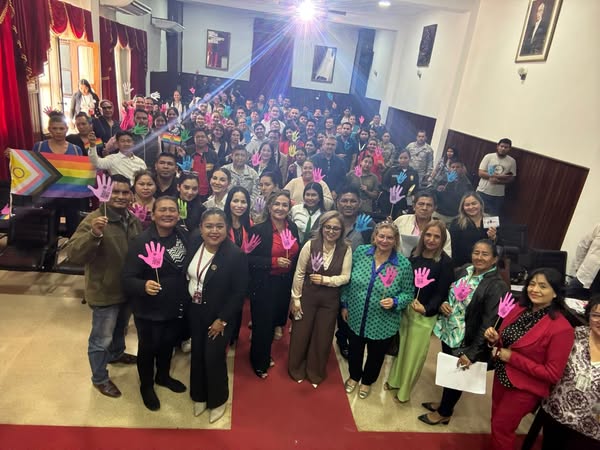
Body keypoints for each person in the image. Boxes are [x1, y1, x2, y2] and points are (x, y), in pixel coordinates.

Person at [66, 174, 142, 398]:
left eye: (125, 192)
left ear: (131, 195)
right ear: (106, 193)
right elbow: (73, 254)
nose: (120, 196)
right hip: (104, 290)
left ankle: (117, 354)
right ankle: (99, 378)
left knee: (121, 328)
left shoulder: (133, 220)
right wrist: (94, 234)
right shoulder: (95, 219)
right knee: (101, 339)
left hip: (127, 289)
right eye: (115, 192)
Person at [483, 268, 575, 450]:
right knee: (497, 421)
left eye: (543, 286)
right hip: (502, 375)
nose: (535, 289)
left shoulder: (562, 328)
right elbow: (507, 342)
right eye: (532, 284)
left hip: (525, 386)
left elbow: (552, 374)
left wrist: (512, 358)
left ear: (555, 292)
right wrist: (495, 340)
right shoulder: (519, 308)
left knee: (502, 428)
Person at [420, 239, 509, 425]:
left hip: (466, 339)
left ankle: (444, 412)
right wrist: (444, 303)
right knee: (450, 371)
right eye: (476, 252)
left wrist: (472, 353)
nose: (479, 257)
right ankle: (445, 403)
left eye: (485, 254)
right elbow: (448, 292)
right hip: (449, 331)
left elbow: (489, 323)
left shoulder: (497, 286)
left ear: (494, 259)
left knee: (458, 375)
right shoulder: (464, 270)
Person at [122, 196, 189, 411]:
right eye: (163, 210)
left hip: (175, 306)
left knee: (168, 345)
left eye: (172, 210)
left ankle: (163, 376)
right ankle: (147, 385)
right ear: (153, 214)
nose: (168, 214)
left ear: (178, 214)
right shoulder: (141, 242)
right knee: (148, 348)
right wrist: (143, 285)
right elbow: (127, 278)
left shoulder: (183, 236)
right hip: (149, 309)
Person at [185, 208, 248, 422]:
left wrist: (223, 319)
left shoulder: (235, 255)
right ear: (200, 228)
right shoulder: (195, 243)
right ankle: (199, 395)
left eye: (219, 226)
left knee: (213, 357)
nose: (214, 231)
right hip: (196, 309)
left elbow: (239, 292)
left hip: (219, 315)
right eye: (209, 226)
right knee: (197, 354)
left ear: (227, 228)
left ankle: (218, 400)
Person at [340, 221, 414, 399]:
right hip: (356, 314)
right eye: (381, 236)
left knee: (376, 355)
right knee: (355, 349)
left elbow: (409, 293)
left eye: (390, 238)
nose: (384, 241)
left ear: (396, 240)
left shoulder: (403, 264)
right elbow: (347, 280)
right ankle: (354, 376)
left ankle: (367, 381)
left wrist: (395, 301)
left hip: (383, 321)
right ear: (374, 236)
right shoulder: (361, 252)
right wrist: (344, 304)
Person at [385, 220, 454, 402]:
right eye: (428, 235)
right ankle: (394, 380)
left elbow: (441, 292)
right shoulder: (415, 254)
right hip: (407, 309)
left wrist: (426, 309)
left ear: (442, 240)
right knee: (402, 349)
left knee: (414, 355)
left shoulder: (445, 262)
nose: (431, 239)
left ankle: (404, 391)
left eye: (436, 236)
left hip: (424, 315)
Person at [288, 211, 352, 387]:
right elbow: (299, 273)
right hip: (307, 296)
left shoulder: (346, 249)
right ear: (321, 227)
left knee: (323, 336)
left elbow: (345, 277)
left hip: (330, 300)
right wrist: (296, 299)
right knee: (301, 333)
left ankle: (315, 372)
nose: (331, 231)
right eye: (327, 227)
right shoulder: (310, 245)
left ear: (341, 231)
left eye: (336, 228)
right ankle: (296, 368)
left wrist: (326, 280)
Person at [248, 190, 300, 377]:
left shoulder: (292, 227)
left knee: (274, 321)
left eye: (284, 205)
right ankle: (259, 362)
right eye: (276, 204)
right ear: (269, 207)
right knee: (262, 325)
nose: (280, 208)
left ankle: (264, 351)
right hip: (264, 284)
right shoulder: (258, 230)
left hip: (284, 283)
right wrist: (273, 262)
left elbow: (297, 253)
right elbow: (248, 259)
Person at [540, 296, 600, 449]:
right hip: (557, 413)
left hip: (592, 428)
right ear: (588, 315)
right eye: (596, 315)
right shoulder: (573, 335)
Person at [31, 113, 84, 237]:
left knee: (73, 228)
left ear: (66, 129)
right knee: (50, 229)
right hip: (48, 195)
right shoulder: (39, 147)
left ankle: (71, 249)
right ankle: (51, 249)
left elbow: (80, 172)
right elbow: (32, 167)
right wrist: (14, 157)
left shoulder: (76, 150)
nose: (58, 132)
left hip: (71, 195)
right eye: (55, 128)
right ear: (49, 129)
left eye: (61, 128)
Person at [394, 192, 452, 257]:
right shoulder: (401, 220)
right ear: (414, 206)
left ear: (434, 208)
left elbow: (447, 255)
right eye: (421, 204)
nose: (424, 208)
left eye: (429, 205)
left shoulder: (442, 230)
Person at [449, 192, 497, 267]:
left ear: (480, 204)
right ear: (463, 207)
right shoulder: (456, 223)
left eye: (474, 203)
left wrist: (493, 238)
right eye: (467, 205)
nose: (471, 207)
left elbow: (499, 245)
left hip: (486, 264)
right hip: (463, 265)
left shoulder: (490, 220)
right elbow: (453, 247)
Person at [476, 137, 516, 217]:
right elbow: (480, 173)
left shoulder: (512, 161)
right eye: (501, 146)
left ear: (509, 149)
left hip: (498, 195)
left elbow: (512, 178)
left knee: (492, 218)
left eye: (506, 147)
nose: (503, 149)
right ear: (497, 146)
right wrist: (499, 176)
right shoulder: (488, 157)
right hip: (482, 191)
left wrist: (499, 181)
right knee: (476, 213)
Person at [381, 148, 420, 219]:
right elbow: (384, 185)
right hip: (391, 200)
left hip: (406, 200)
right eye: (401, 158)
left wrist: (410, 202)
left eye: (405, 158)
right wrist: (391, 192)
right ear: (398, 159)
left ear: (409, 159)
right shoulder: (392, 170)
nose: (403, 160)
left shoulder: (414, 173)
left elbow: (415, 189)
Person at [566, 223, 600, 299]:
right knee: (566, 301)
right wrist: (578, 266)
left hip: (598, 289)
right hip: (584, 277)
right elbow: (583, 245)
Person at [433, 161, 473, 225]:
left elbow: (468, 199)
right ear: (449, 169)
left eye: (458, 167)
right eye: (453, 167)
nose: (455, 169)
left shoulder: (467, 183)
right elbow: (433, 194)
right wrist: (438, 190)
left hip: (455, 216)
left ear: (462, 169)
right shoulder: (443, 179)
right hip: (439, 213)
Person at [189, 129, 219, 203]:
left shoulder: (213, 154)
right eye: (197, 137)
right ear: (194, 139)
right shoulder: (188, 151)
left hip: (207, 192)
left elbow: (217, 172)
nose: (200, 139)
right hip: (190, 191)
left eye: (202, 137)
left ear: (207, 139)